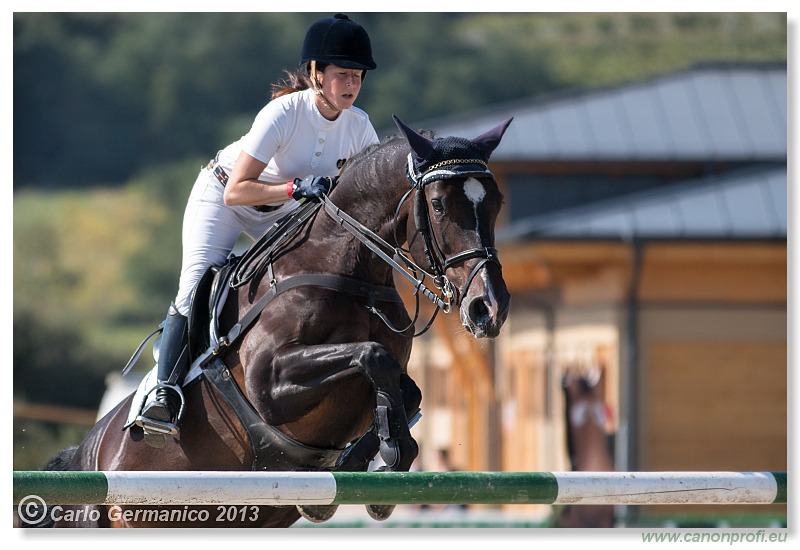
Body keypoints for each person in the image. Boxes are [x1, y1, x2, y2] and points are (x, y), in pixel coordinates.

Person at [137, 13, 379, 442]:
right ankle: (165, 393)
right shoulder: (284, 112)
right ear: (316, 74)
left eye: (357, 76)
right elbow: (237, 190)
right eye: (342, 74)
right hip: (227, 199)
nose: (352, 84)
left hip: (283, 214)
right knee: (195, 284)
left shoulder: (359, 126)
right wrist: (295, 187)